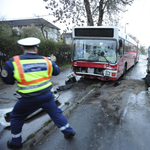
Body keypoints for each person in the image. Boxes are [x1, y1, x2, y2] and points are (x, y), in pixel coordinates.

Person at [1, 37, 75, 149]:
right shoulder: (46, 60)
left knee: (16, 117)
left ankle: (16, 143)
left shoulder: (14, 62)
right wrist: (53, 62)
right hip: (47, 96)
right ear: (36, 48)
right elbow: (57, 72)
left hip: (28, 99)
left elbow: (7, 80)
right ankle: (68, 131)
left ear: (22, 48)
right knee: (55, 113)